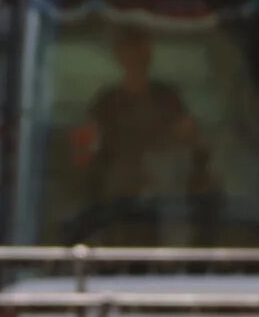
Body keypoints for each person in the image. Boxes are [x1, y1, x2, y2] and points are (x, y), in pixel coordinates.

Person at [77, 27, 210, 197]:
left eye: (140, 49)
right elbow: (86, 154)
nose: (135, 57)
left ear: (149, 54)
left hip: (164, 194)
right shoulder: (105, 103)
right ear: (119, 56)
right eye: (129, 49)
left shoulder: (168, 99)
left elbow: (192, 143)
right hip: (118, 197)